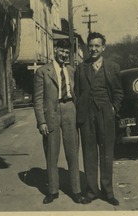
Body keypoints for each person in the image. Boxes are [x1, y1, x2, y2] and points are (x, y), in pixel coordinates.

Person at [75, 32, 123, 206]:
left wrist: (112, 108)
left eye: (97, 45)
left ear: (103, 47)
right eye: (91, 46)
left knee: (106, 154)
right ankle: (91, 191)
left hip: (105, 115)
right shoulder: (81, 68)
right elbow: (77, 92)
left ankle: (107, 191)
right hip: (87, 116)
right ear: (87, 47)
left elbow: (118, 92)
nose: (94, 49)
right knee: (89, 154)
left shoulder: (112, 67)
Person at [33, 40, 83, 204]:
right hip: (51, 115)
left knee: (73, 152)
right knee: (51, 153)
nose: (64, 55)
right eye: (62, 51)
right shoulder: (42, 71)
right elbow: (38, 99)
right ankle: (53, 191)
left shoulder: (71, 70)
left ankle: (76, 190)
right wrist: (41, 122)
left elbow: (77, 94)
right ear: (55, 50)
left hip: (70, 110)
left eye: (67, 52)